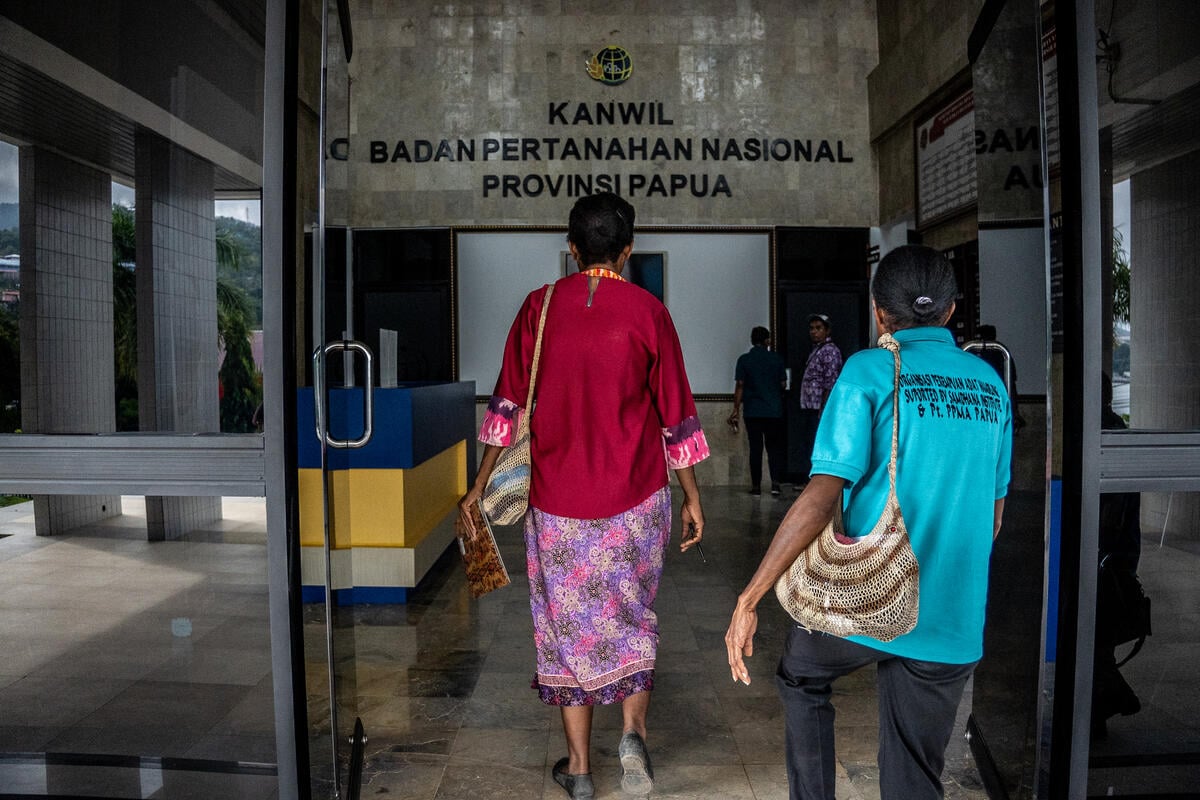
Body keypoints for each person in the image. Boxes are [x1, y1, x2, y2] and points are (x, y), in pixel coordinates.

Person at [724, 245, 1012, 800]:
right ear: (951, 311)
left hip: (862, 600)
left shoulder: (870, 369)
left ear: (880, 313)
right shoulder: (990, 385)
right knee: (914, 772)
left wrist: (751, 596)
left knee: (800, 676)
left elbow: (821, 492)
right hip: (951, 614)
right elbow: (993, 515)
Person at [458, 192, 709, 800]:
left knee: (563, 626)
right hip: (638, 495)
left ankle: (578, 770)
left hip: (557, 502)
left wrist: (480, 482)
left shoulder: (538, 309)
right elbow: (675, 413)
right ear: (628, 250)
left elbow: (506, 405)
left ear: (572, 249)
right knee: (632, 616)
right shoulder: (649, 313)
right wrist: (693, 496)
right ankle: (633, 732)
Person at [728, 326, 788, 496]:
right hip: (773, 411)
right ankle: (775, 484)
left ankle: (756, 486)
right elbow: (783, 384)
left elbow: (740, 385)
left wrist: (735, 409)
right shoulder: (776, 359)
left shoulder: (744, 360)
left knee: (755, 448)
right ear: (767, 340)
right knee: (773, 448)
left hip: (753, 411)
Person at [795, 313, 843, 489]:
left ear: (827, 330)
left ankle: (814, 483)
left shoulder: (830, 351)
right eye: (812, 328)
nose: (814, 332)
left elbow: (830, 381)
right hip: (809, 404)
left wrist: (824, 407)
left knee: (816, 443)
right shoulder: (817, 349)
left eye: (818, 328)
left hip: (819, 407)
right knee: (808, 442)